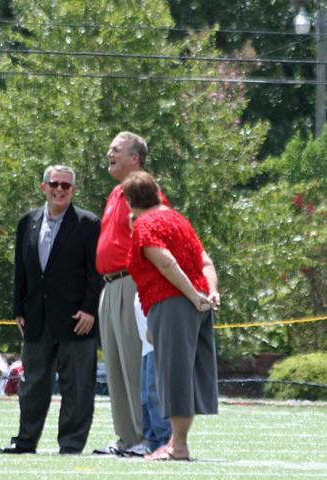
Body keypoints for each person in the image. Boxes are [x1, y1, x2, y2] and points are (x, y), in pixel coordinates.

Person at [0, 165, 102, 455]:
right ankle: (25, 440)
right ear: (43, 186)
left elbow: (96, 272)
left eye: (66, 186)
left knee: (77, 388)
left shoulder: (88, 223)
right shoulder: (27, 221)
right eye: (54, 184)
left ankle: (70, 445)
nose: (60, 189)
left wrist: (90, 310)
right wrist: (18, 308)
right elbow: (21, 269)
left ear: (73, 190)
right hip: (36, 317)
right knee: (32, 384)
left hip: (77, 320)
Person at [123, 170, 220, 461]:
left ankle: (177, 446)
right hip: (196, 303)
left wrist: (192, 294)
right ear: (157, 191)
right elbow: (205, 260)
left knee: (174, 375)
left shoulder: (145, 224)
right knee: (186, 374)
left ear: (129, 201)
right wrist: (211, 291)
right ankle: (177, 442)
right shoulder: (179, 219)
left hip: (175, 301)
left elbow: (165, 263)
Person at [94, 131, 150, 456]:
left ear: (135, 158)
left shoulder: (142, 190)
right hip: (110, 286)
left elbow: (154, 234)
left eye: (116, 149)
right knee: (115, 368)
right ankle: (127, 439)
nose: (109, 152)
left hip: (132, 283)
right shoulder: (117, 191)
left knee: (133, 364)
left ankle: (146, 437)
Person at [134, 294, 172, 456]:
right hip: (146, 342)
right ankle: (151, 442)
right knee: (145, 396)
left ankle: (164, 441)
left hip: (156, 338)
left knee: (154, 394)